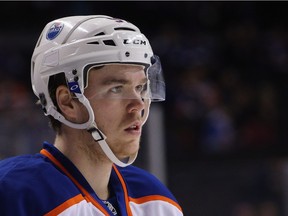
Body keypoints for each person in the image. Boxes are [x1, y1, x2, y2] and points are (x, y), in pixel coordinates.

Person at [0, 15, 183, 215]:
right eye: (116, 89)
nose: (138, 104)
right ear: (67, 102)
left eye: (140, 87)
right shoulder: (16, 194)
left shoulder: (155, 199)